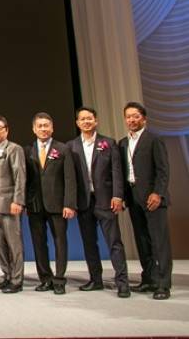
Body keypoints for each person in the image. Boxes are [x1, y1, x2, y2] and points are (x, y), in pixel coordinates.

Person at [67, 107, 130, 298]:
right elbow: (70, 178)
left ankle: (122, 282)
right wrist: (71, 202)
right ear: (77, 123)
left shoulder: (108, 143)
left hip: (106, 200)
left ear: (96, 121)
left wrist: (118, 196)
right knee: (89, 243)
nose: (86, 122)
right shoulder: (71, 146)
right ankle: (96, 279)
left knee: (114, 242)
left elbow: (117, 172)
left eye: (89, 119)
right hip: (84, 202)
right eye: (82, 119)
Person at [119, 101, 172, 300]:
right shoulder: (123, 143)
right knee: (142, 240)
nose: (132, 120)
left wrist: (158, 193)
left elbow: (163, 170)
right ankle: (149, 279)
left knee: (159, 242)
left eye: (136, 116)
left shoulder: (154, 139)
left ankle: (163, 284)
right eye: (128, 117)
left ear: (144, 118)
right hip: (133, 198)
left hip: (152, 198)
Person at [24, 112, 76, 295]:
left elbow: (70, 178)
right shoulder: (28, 150)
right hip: (35, 205)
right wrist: (25, 203)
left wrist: (69, 203)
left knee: (60, 242)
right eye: (40, 126)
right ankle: (45, 278)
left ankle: (59, 279)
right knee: (39, 244)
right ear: (34, 129)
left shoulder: (63, 149)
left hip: (58, 204)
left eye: (46, 125)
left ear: (52, 128)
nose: (43, 129)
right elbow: (25, 180)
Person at [0, 115, 26, 293]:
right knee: (0, 244)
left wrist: (18, 200)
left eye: (0, 128)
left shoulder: (14, 149)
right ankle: (7, 275)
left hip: (9, 204)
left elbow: (20, 176)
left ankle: (17, 280)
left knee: (14, 244)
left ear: (7, 130)